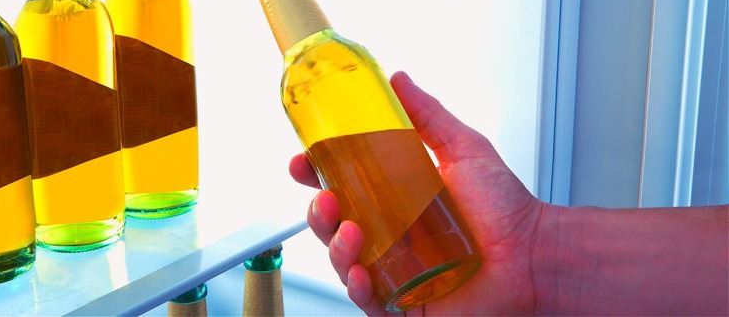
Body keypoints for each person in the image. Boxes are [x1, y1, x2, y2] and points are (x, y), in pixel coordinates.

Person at [289, 71, 729, 316]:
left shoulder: (341, 62)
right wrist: (534, 255)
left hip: (464, 255)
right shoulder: (297, 84)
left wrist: (533, 249)